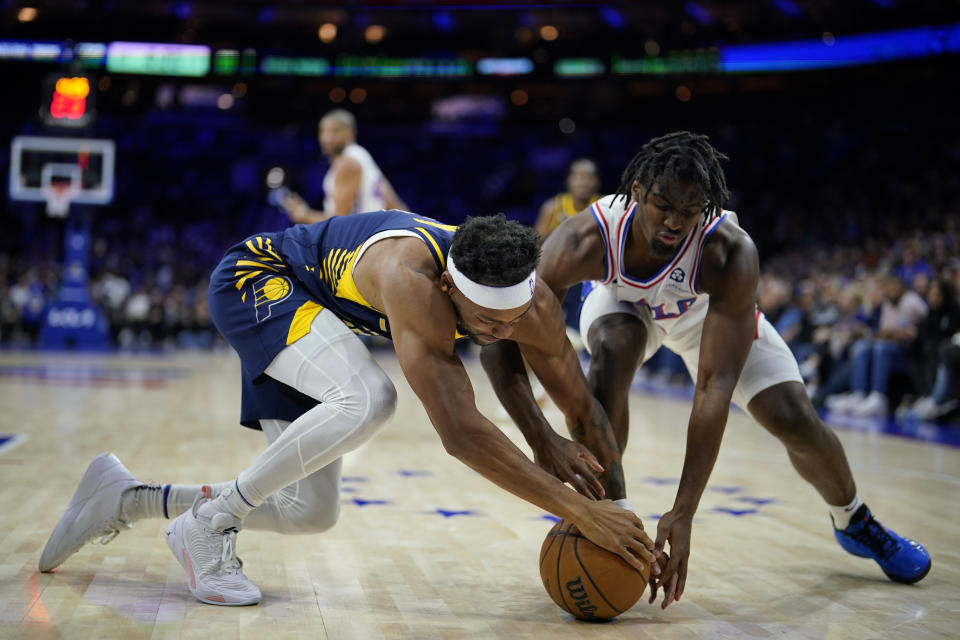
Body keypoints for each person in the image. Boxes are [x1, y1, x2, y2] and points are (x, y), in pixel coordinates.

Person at [39, 211, 659, 606]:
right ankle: (210, 523)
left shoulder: (536, 307)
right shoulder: (413, 280)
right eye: (483, 323)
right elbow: (463, 435)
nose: (499, 333)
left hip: (323, 321)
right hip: (261, 279)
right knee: (370, 397)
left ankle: (124, 497)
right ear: (451, 289)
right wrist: (577, 509)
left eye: (512, 320)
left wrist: (619, 515)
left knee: (309, 511)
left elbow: (583, 408)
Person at [480, 131, 931, 610]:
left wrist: (684, 511)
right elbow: (500, 336)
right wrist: (541, 438)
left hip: (701, 313)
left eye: (690, 209)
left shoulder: (730, 251)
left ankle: (853, 520)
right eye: (662, 205)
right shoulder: (582, 239)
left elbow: (714, 387)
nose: (674, 221)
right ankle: (612, 510)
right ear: (635, 193)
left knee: (794, 417)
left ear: (708, 206)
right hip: (624, 305)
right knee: (613, 353)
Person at [280, 109, 407, 223]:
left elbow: (340, 223)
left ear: (351, 134)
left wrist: (304, 215)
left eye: (335, 131)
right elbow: (394, 203)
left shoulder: (348, 163)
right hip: (371, 234)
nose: (327, 137)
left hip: (362, 240)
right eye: (323, 131)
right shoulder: (361, 156)